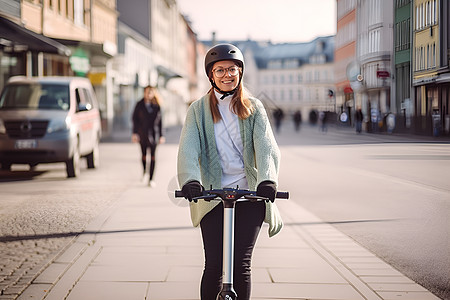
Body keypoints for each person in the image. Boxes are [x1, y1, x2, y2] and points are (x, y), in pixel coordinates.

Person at [177, 43, 283, 300]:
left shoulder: (254, 107)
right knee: (213, 266)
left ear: (240, 72)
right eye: (220, 70)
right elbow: (188, 149)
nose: (227, 75)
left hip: (250, 195)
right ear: (211, 75)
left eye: (232, 69)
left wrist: (268, 179)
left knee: (241, 266)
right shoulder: (198, 110)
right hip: (212, 196)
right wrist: (191, 180)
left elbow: (267, 146)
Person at [132, 85, 165, 186]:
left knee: (153, 157)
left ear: (153, 93)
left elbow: (160, 122)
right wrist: (135, 133)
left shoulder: (157, 105)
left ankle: (151, 179)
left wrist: (161, 135)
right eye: (146, 92)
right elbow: (134, 120)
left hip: (154, 135)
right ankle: (144, 172)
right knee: (144, 156)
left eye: (150, 92)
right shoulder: (139, 104)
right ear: (144, 93)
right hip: (142, 134)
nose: (148, 94)